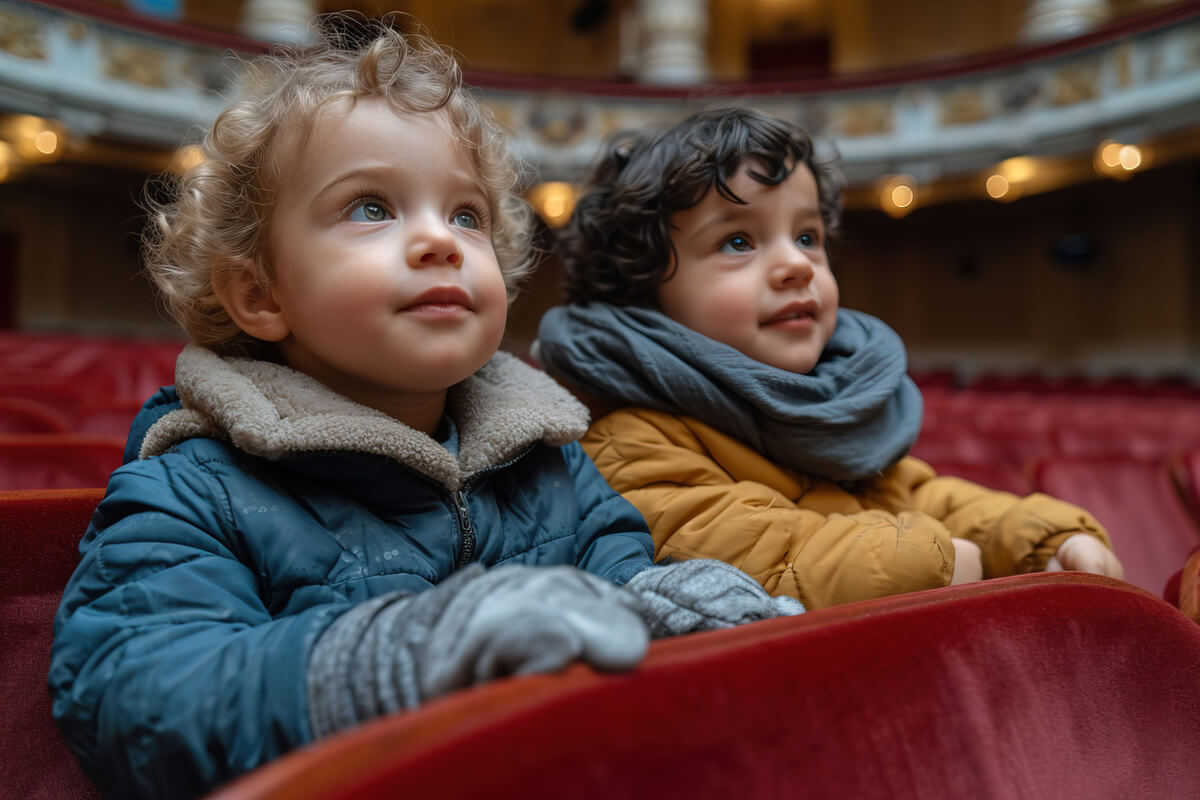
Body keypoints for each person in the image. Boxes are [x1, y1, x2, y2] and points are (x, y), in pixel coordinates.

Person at [48, 26, 798, 800]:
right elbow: (131, 695)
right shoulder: (193, 487)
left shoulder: (550, 462)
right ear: (260, 295)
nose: (440, 239)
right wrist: (390, 661)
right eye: (371, 207)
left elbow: (618, 575)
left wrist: (669, 608)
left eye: (467, 216)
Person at [536, 106, 1124, 610]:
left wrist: (1041, 539)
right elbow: (772, 561)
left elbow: (915, 494)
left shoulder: (820, 398)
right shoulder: (629, 439)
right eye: (737, 240)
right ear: (641, 290)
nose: (797, 265)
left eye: (808, 236)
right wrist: (942, 560)